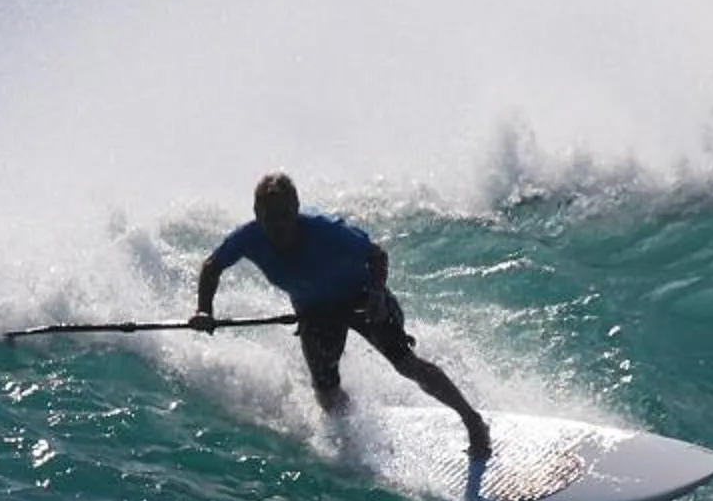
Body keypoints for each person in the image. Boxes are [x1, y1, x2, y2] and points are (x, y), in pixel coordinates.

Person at [195, 172, 491, 462]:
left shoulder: (325, 229)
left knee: (405, 363)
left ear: (296, 209)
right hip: (314, 312)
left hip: (360, 298)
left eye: (284, 216)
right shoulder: (248, 237)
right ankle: (356, 439)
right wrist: (204, 310)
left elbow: (376, 255)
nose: (278, 226)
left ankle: (473, 422)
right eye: (269, 218)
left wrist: (377, 295)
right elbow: (212, 266)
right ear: (257, 214)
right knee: (326, 392)